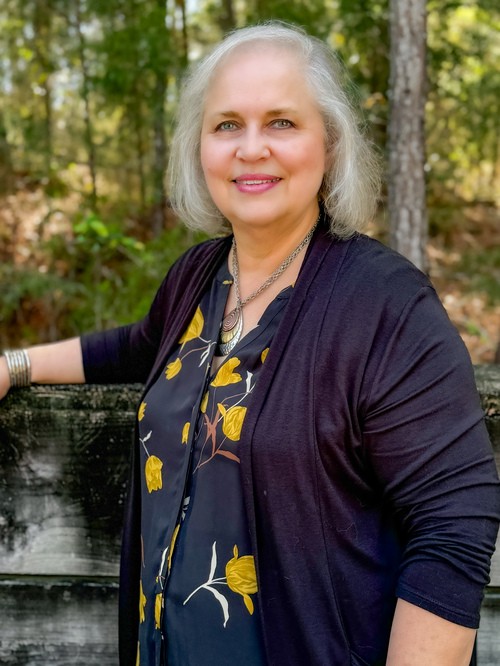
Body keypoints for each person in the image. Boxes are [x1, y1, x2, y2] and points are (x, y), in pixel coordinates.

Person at [1, 21, 499, 666]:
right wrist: (16, 364)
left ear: (330, 143)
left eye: (282, 122)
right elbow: (139, 347)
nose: (251, 147)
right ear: (200, 147)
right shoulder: (198, 276)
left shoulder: (387, 306)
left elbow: (454, 522)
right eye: (227, 124)